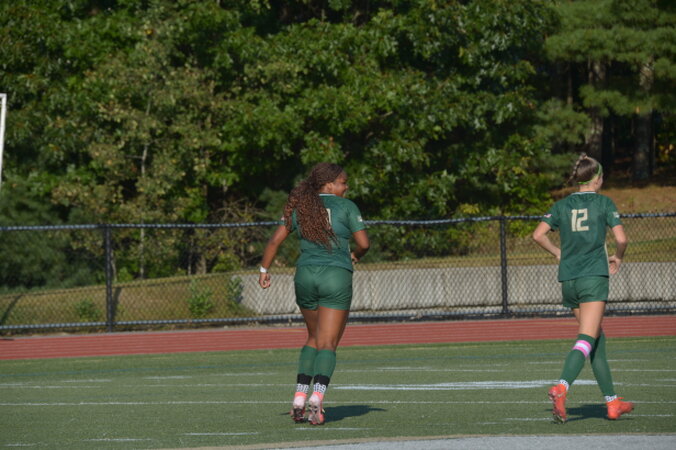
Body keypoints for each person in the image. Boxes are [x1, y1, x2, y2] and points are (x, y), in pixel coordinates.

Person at [258, 162, 370, 425]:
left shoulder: (301, 206)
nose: (346, 187)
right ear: (329, 184)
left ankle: (299, 397)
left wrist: (264, 270)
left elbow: (275, 241)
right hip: (335, 276)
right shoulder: (347, 206)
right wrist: (356, 255)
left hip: (305, 276)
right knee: (328, 343)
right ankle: (317, 398)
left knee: (312, 337)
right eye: (343, 182)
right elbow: (364, 243)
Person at [532, 153, 633, 423]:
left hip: (569, 280)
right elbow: (622, 239)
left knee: (596, 340)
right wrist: (618, 257)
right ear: (597, 179)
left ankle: (612, 403)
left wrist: (558, 253)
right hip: (593, 278)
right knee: (587, 339)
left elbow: (538, 235)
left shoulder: (561, 205)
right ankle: (561, 387)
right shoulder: (603, 203)